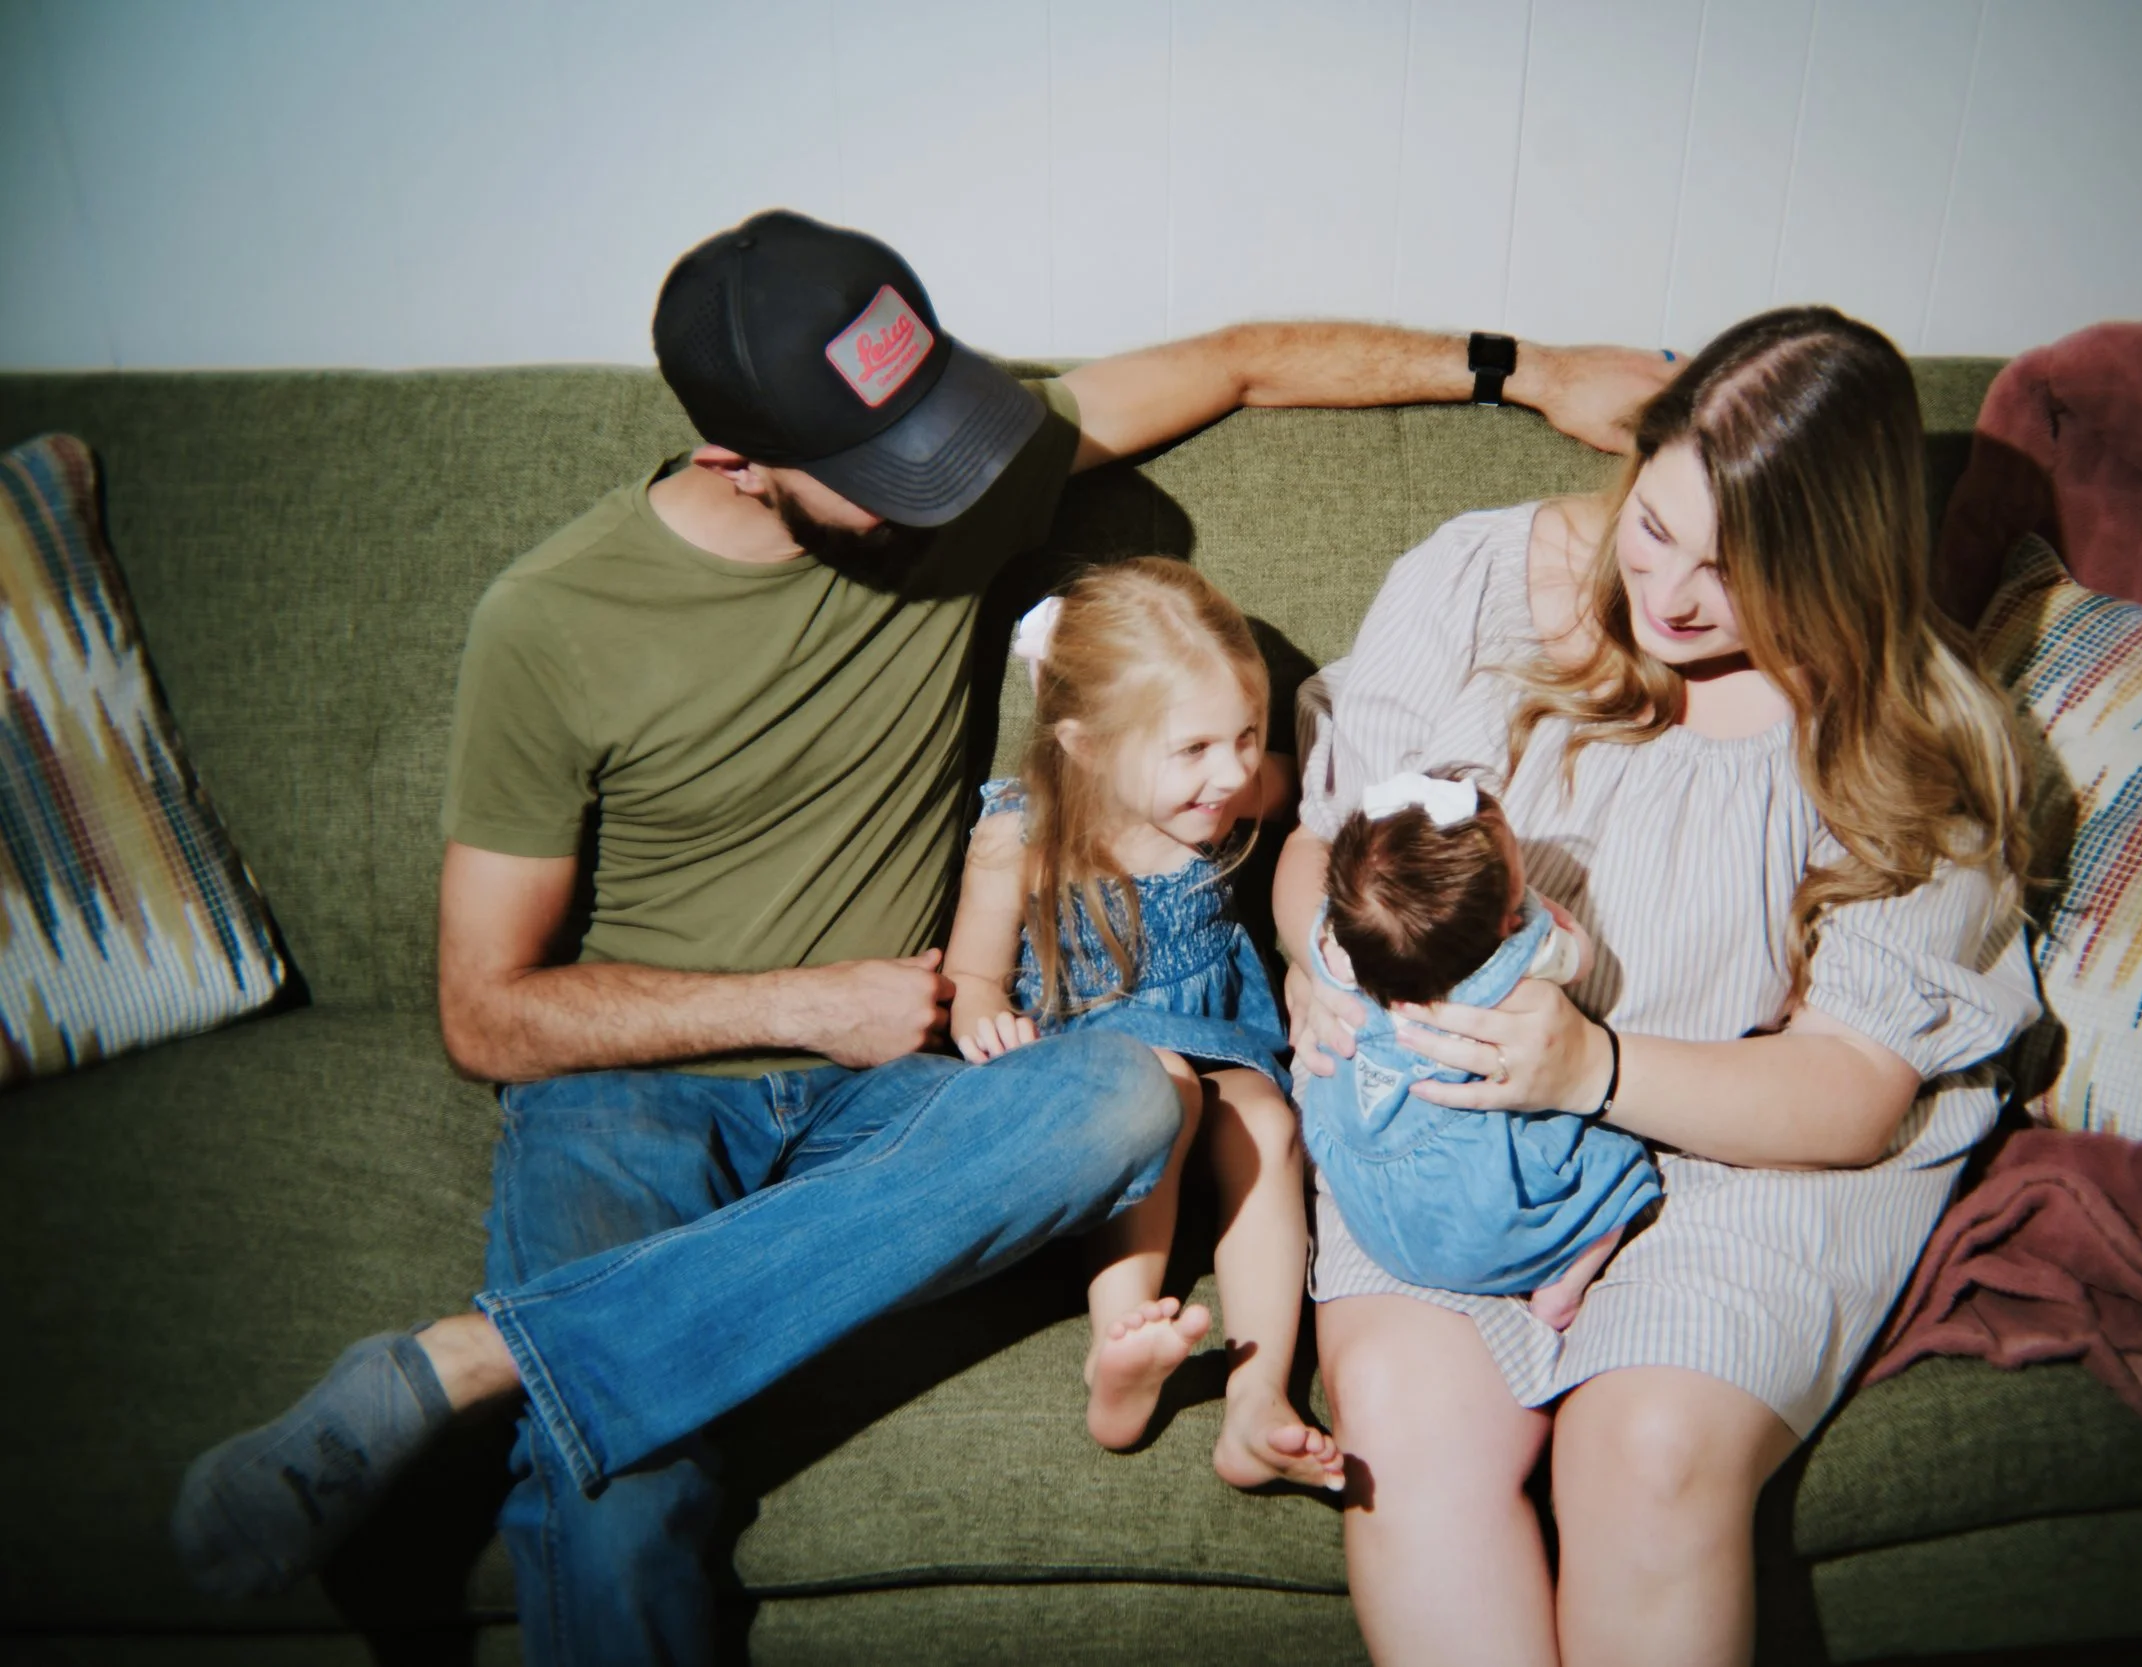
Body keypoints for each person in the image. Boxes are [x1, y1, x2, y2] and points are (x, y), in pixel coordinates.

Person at [167, 208, 1675, 1664]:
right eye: (886, 472)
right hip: (637, 1099)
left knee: (1127, 1092)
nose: (942, 491)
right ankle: (516, 1369)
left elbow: (1237, 360)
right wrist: (800, 1003)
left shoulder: (958, 481)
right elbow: (486, 1012)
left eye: (935, 434)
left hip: (907, 1096)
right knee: (625, 1493)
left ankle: (477, 1356)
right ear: (738, 460)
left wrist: (1529, 369)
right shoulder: (550, 621)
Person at [1275, 305, 2041, 1667]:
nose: (1672, 595)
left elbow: (1852, 1089)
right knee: (1399, 1408)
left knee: (1647, 1450)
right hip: (1463, 1127)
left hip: (1745, 1152)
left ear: (1837, 566)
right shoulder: (1481, 582)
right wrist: (1314, 964)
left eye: (1735, 571)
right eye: (1655, 526)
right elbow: (1327, 848)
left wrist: (1597, 1069)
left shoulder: (1907, 738)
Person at [944, 559, 1339, 1491]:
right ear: (1084, 746)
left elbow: (1327, 800)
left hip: (1220, 1038)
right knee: (1163, 1088)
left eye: (1246, 735)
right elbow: (971, 973)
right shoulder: (1021, 835)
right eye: (1194, 747)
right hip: (1095, 1075)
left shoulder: (1227, 794)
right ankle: (1117, 1352)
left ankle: (1257, 1399)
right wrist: (982, 1012)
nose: (1233, 770)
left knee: (1268, 1120)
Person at [1302, 769, 1657, 1331]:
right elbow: (1579, 960)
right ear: (1507, 922)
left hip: (1370, 1207)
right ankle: (1563, 1282)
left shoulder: (1336, 943)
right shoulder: (1518, 963)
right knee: (1622, 1168)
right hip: (1477, 1220)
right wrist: (1551, 921)